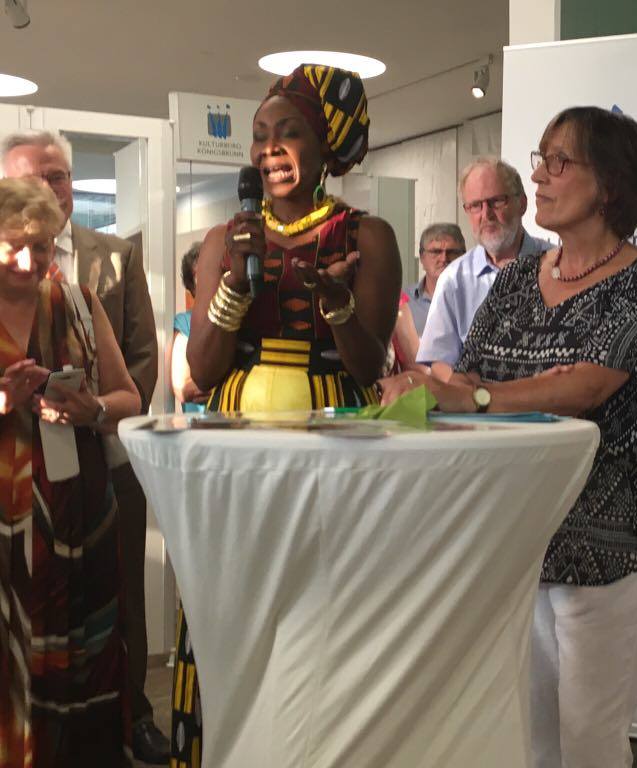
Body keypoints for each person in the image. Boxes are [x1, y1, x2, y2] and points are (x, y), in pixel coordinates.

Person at [381, 106, 637, 768]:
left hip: (604, 541)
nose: (539, 176)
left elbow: (586, 388)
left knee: (591, 743)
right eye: (541, 159)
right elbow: (471, 374)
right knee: (527, 740)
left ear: (610, 183)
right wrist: (437, 389)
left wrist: (482, 396)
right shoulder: (517, 279)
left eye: (559, 162)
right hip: (515, 536)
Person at [179, 64, 400, 767]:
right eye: (260, 135)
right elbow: (203, 370)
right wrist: (233, 287)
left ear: (326, 147)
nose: (269, 148)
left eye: (290, 132)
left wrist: (336, 307)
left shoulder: (368, 236)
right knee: (233, 604)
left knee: (325, 610)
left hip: (334, 438)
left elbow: (368, 369)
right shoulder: (225, 239)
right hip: (236, 445)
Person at [0, 130, 168, 763]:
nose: (30, 263)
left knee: (88, 647)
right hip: (8, 520)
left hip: (80, 505)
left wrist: (90, 409)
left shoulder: (78, 295)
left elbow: (130, 391)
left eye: (42, 248)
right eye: (14, 248)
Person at [416, 159, 549, 380]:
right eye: (475, 205)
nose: (486, 215)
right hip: (476, 400)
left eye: (496, 201)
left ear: (522, 204)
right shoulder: (454, 279)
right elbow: (439, 360)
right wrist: (475, 393)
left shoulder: (557, 263)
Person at [405, 222, 465, 334]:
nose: (444, 259)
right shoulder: (403, 302)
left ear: (463, 256)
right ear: (422, 258)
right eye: (436, 252)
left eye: (452, 252)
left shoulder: (476, 298)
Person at [171, 243, 208, 412]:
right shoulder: (185, 322)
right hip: (200, 425)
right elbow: (184, 389)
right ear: (192, 285)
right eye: (203, 275)